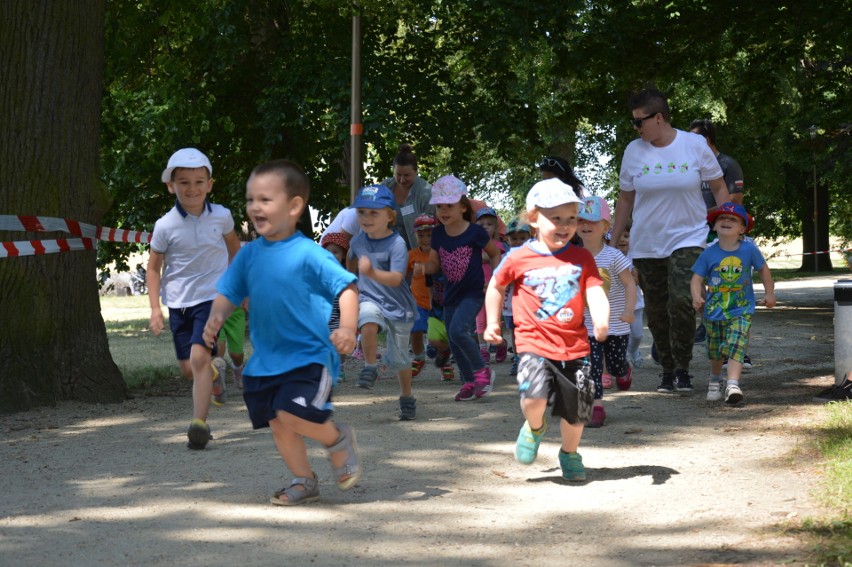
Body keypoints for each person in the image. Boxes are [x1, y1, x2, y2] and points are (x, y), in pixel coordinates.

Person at [202, 159, 361, 505]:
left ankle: (337, 439)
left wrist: (348, 327)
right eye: (250, 200)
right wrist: (215, 317)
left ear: (293, 207)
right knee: (278, 423)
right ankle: (304, 479)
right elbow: (229, 292)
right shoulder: (248, 256)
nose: (255, 207)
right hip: (267, 361)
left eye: (265, 199)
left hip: (309, 356)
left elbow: (347, 287)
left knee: (293, 413)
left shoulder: (308, 253)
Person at [484, 178, 609, 481]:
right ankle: (535, 426)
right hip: (533, 344)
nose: (566, 226)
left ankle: (569, 452)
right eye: (556, 219)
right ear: (534, 219)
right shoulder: (518, 257)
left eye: (572, 219)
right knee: (533, 399)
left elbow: (594, 291)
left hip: (575, 348)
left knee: (577, 412)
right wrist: (492, 322)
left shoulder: (581, 257)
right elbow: (496, 286)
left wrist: (602, 318)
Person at [610, 88, 730, 394]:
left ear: (659, 117)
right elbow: (626, 199)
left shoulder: (694, 145)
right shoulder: (634, 151)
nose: (635, 128)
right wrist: (613, 240)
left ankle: (683, 368)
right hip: (647, 241)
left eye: (639, 122)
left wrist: (730, 222)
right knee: (657, 308)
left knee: (682, 299)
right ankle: (667, 369)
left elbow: (718, 187)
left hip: (688, 237)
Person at [147, 148, 241, 450]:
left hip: (211, 299)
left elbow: (235, 252)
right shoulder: (164, 226)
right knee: (190, 368)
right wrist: (154, 309)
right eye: (184, 182)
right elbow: (153, 268)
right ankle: (214, 372)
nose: (192, 188)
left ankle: (199, 424)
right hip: (178, 303)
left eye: (199, 181)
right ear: (171, 186)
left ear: (210, 184)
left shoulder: (222, 217)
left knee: (199, 358)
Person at [416, 175, 501, 401]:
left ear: (463, 208)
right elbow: (435, 263)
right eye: (439, 206)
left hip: (472, 293)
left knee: (457, 331)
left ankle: (482, 371)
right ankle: (469, 381)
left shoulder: (474, 232)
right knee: (454, 341)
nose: (443, 211)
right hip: (450, 295)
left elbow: (495, 254)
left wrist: (493, 280)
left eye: (449, 206)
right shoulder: (438, 234)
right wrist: (424, 267)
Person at [690, 202, 775, 404]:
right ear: (714, 226)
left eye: (732, 219)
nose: (726, 220)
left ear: (742, 229)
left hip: (741, 310)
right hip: (713, 312)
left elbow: (763, 269)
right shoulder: (708, 253)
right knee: (716, 351)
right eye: (721, 218)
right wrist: (696, 296)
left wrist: (770, 293)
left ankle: (732, 385)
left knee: (737, 343)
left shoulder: (749, 250)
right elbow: (696, 279)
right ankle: (715, 378)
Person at [348, 185, 419, 421]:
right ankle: (370, 366)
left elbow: (397, 278)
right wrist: (352, 285)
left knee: (400, 359)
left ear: (390, 216)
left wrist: (371, 272)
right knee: (367, 323)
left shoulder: (397, 244)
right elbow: (351, 265)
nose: (366, 218)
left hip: (398, 306)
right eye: (361, 213)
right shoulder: (358, 241)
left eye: (373, 213)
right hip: (370, 299)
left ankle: (406, 398)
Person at [689, 119, 749, 366]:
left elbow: (735, 199)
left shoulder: (727, 164)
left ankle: (739, 351)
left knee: (729, 284)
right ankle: (707, 323)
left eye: (695, 138)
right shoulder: (691, 166)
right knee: (696, 280)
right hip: (693, 232)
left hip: (720, 231)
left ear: (707, 139)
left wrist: (706, 214)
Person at [577, 196, 637, 428]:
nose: (585, 225)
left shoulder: (614, 256)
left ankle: (623, 371)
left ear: (606, 226)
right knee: (587, 365)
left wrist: (630, 310)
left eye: (592, 221)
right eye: (581, 220)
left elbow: (630, 283)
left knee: (614, 365)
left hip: (616, 324)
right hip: (585, 325)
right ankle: (593, 407)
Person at [382, 143, 435, 249]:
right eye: (398, 174)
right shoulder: (384, 188)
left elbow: (430, 229)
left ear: (416, 171)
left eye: (406, 175)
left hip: (417, 253)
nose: (402, 180)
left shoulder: (427, 192)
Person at [474, 207, 508, 364]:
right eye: (481, 224)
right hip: (477, 288)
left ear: (495, 227)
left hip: (494, 288)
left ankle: (500, 344)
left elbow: (496, 259)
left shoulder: (499, 245)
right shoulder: (473, 244)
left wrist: (485, 256)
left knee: (494, 321)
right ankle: (482, 350)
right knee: (479, 320)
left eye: (489, 224)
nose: (485, 227)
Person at [407, 214, 439, 378]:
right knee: (416, 330)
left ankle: (444, 362)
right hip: (417, 302)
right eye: (421, 235)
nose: (425, 239)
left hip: (438, 302)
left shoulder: (440, 254)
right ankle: (418, 357)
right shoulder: (411, 255)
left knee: (439, 335)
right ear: (415, 235)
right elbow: (401, 275)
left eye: (429, 235)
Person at [320, 231, 352, 381]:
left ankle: (340, 367)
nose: (332, 255)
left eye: (336, 252)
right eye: (328, 252)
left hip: (339, 316)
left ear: (343, 255)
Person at [503, 217, 533, 375]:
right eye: (514, 238)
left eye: (522, 238)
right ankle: (517, 358)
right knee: (515, 332)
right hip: (511, 305)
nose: (518, 242)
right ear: (507, 239)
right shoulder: (505, 258)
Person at [616, 228, 646, 369]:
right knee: (621, 335)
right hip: (617, 305)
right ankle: (624, 357)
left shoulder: (635, 258)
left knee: (637, 334)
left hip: (636, 304)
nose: (622, 239)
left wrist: (628, 273)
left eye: (626, 236)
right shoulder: (610, 256)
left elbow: (638, 280)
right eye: (619, 236)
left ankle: (633, 350)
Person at [218, 308, 247, 389]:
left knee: (236, 354)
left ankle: (238, 368)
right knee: (218, 348)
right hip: (214, 310)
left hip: (235, 311)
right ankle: (217, 381)